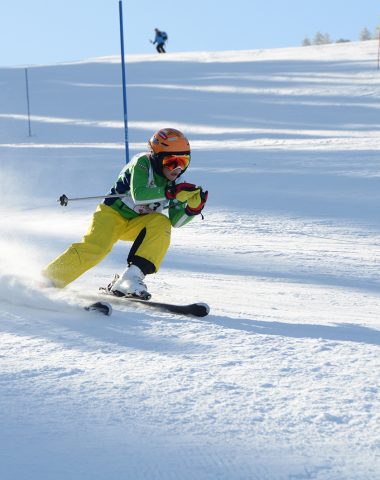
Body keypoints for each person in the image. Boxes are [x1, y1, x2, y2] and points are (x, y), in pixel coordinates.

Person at [42, 128, 208, 300]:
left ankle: (130, 278)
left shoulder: (177, 182)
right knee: (97, 248)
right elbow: (139, 194)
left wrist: (192, 209)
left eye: (184, 161)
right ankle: (49, 278)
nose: (178, 168)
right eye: (171, 161)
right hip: (112, 215)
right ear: (157, 158)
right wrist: (171, 192)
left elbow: (176, 221)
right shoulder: (143, 163)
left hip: (137, 223)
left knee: (162, 223)